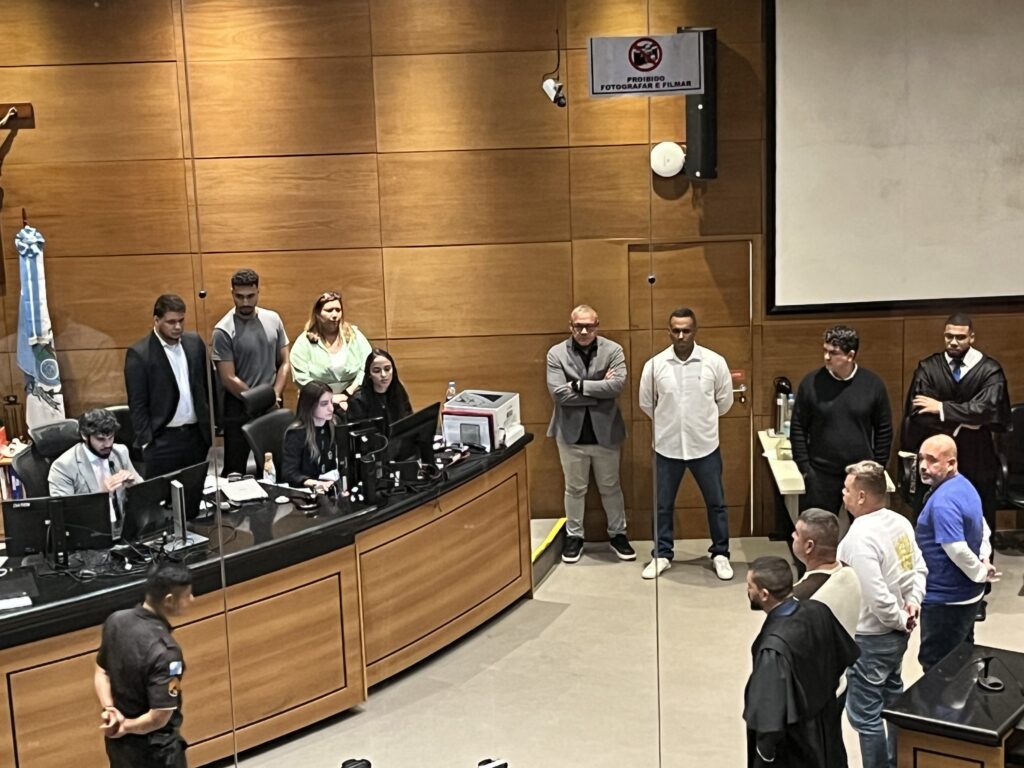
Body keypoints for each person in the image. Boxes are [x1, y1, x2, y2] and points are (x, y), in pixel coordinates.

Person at [837, 460, 927, 768]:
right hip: (897, 635)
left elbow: (876, 595)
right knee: (892, 700)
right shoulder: (900, 522)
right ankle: (896, 762)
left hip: (871, 638)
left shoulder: (858, 539)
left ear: (862, 496)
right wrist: (912, 604)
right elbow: (917, 568)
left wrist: (901, 619)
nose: (843, 494)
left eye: (847, 489)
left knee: (866, 716)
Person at [639, 307, 734, 580]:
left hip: (705, 446)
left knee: (716, 504)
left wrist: (698, 423)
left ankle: (720, 554)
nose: (681, 336)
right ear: (668, 331)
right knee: (662, 506)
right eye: (676, 330)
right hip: (666, 447)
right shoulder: (654, 365)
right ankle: (662, 555)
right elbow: (647, 404)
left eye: (686, 331)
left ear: (695, 331)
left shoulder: (714, 362)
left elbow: (724, 402)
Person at [743, 556, 860, 768]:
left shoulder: (773, 649)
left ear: (764, 594)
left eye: (750, 586)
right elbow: (844, 657)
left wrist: (763, 757)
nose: (747, 591)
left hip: (796, 746)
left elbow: (769, 719)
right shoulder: (819, 610)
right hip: (826, 729)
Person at [901, 312, 1010, 528]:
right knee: (930, 516)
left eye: (960, 337)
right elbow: (920, 413)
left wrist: (942, 408)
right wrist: (969, 420)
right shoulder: (928, 368)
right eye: (948, 336)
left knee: (978, 517)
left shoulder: (990, 371)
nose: (953, 342)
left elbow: (988, 410)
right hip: (935, 455)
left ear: (972, 337)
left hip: (977, 456)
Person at [546, 304, 633, 564]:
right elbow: (558, 395)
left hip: (606, 433)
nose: (584, 331)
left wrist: (578, 385)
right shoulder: (556, 353)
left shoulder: (613, 350)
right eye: (578, 326)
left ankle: (618, 534)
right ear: (570, 326)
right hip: (569, 434)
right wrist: (599, 391)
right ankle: (575, 537)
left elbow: (617, 386)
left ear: (597, 326)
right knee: (574, 489)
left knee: (611, 487)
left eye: (589, 326)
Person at [94, 561, 193, 768]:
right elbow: (159, 717)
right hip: (157, 753)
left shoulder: (116, 621)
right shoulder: (168, 655)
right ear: (169, 600)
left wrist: (110, 710)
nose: (192, 599)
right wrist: (126, 727)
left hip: (119, 748)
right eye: (187, 595)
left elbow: (102, 671)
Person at [915, 434, 999, 672]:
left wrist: (980, 573)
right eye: (921, 459)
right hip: (968, 596)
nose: (923, 466)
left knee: (938, 668)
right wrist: (984, 559)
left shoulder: (944, 501)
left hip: (946, 600)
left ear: (951, 463)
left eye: (932, 460)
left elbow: (956, 549)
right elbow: (983, 527)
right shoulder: (965, 486)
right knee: (963, 656)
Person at [790, 325, 892, 521]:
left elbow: (884, 429)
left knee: (865, 529)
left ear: (850, 355)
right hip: (821, 475)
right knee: (817, 530)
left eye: (833, 353)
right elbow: (798, 427)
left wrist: (878, 465)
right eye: (825, 350)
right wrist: (805, 467)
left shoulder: (873, 384)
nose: (826, 357)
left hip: (861, 475)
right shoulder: (811, 383)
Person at [211, 268, 290, 476]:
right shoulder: (223, 330)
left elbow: (284, 362)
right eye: (239, 296)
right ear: (232, 293)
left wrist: (275, 395)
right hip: (239, 406)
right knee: (235, 470)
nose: (245, 302)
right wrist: (261, 400)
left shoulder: (273, 319)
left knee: (276, 466)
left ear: (258, 292)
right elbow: (228, 378)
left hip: (272, 402)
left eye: (250, 296)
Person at [124, 294, 211, 479]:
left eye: (181, 320)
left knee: (195, 490)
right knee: (163, 494)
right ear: (156, 320)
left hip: (196, 437)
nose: (178, 326)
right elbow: (137, 403)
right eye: (171, 322)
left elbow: (208, 384)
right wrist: (147, 441)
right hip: (162, 440)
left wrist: (212, 425)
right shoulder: (140, 354)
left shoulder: (195, 343)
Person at [48, 408, 142, 526]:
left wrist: (133, 484)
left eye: (111, 437)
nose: (108, 444)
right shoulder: (63, 467)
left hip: (123, 527)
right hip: (90, 531)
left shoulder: (120, 452)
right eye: (100, 439)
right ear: (84, 435)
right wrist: (101, 495)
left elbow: (145, 493)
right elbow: (64, 517)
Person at [289, 291, 373, 410]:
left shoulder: (354, 335)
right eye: (329, 310)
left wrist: (349, 392)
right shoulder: (304, 342)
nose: (335, 315)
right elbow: (301, 377)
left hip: (353, 399)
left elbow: (368, 364)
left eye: (338, 310)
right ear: (317, 313)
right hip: (316, 403)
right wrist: (330, 398)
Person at [791, 508, 862, 640]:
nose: (792, 535)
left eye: (797, 533)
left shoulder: (799, 599)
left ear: (809, 546)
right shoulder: (851, 573)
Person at [281, 381, 342, 491]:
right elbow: (289, 474)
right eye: (324, 404)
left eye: (331, 402)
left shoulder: (334, 423)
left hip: (331, 485)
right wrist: (315, 483)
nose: (331, 408)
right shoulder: (296, 433)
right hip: (308, 490)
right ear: (310, 406)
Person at [346, 348, 413, 429]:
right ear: (369, 374)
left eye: (387, 369)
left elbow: (409, 421)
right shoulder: (357, 400)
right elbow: (358, 432)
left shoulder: (399, 391)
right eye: (377, 371)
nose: (384, 375)